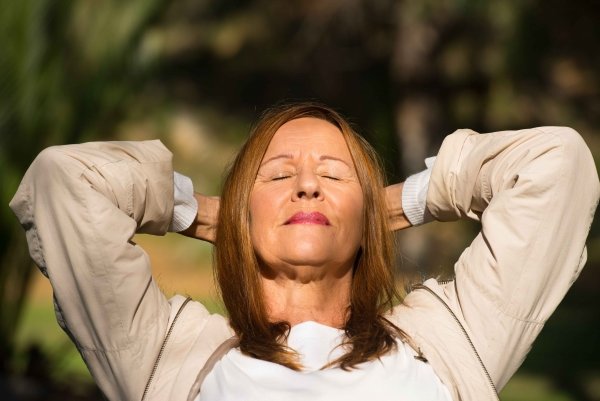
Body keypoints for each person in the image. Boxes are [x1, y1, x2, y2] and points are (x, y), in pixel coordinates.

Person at [9, 103, 599, 401]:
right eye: (277, 176)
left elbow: (557, 163)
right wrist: (208, 213)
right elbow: (66, 180)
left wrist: (388, 207)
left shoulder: (453, 341)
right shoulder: (162, 358)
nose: (308, 185)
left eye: (335, 176)